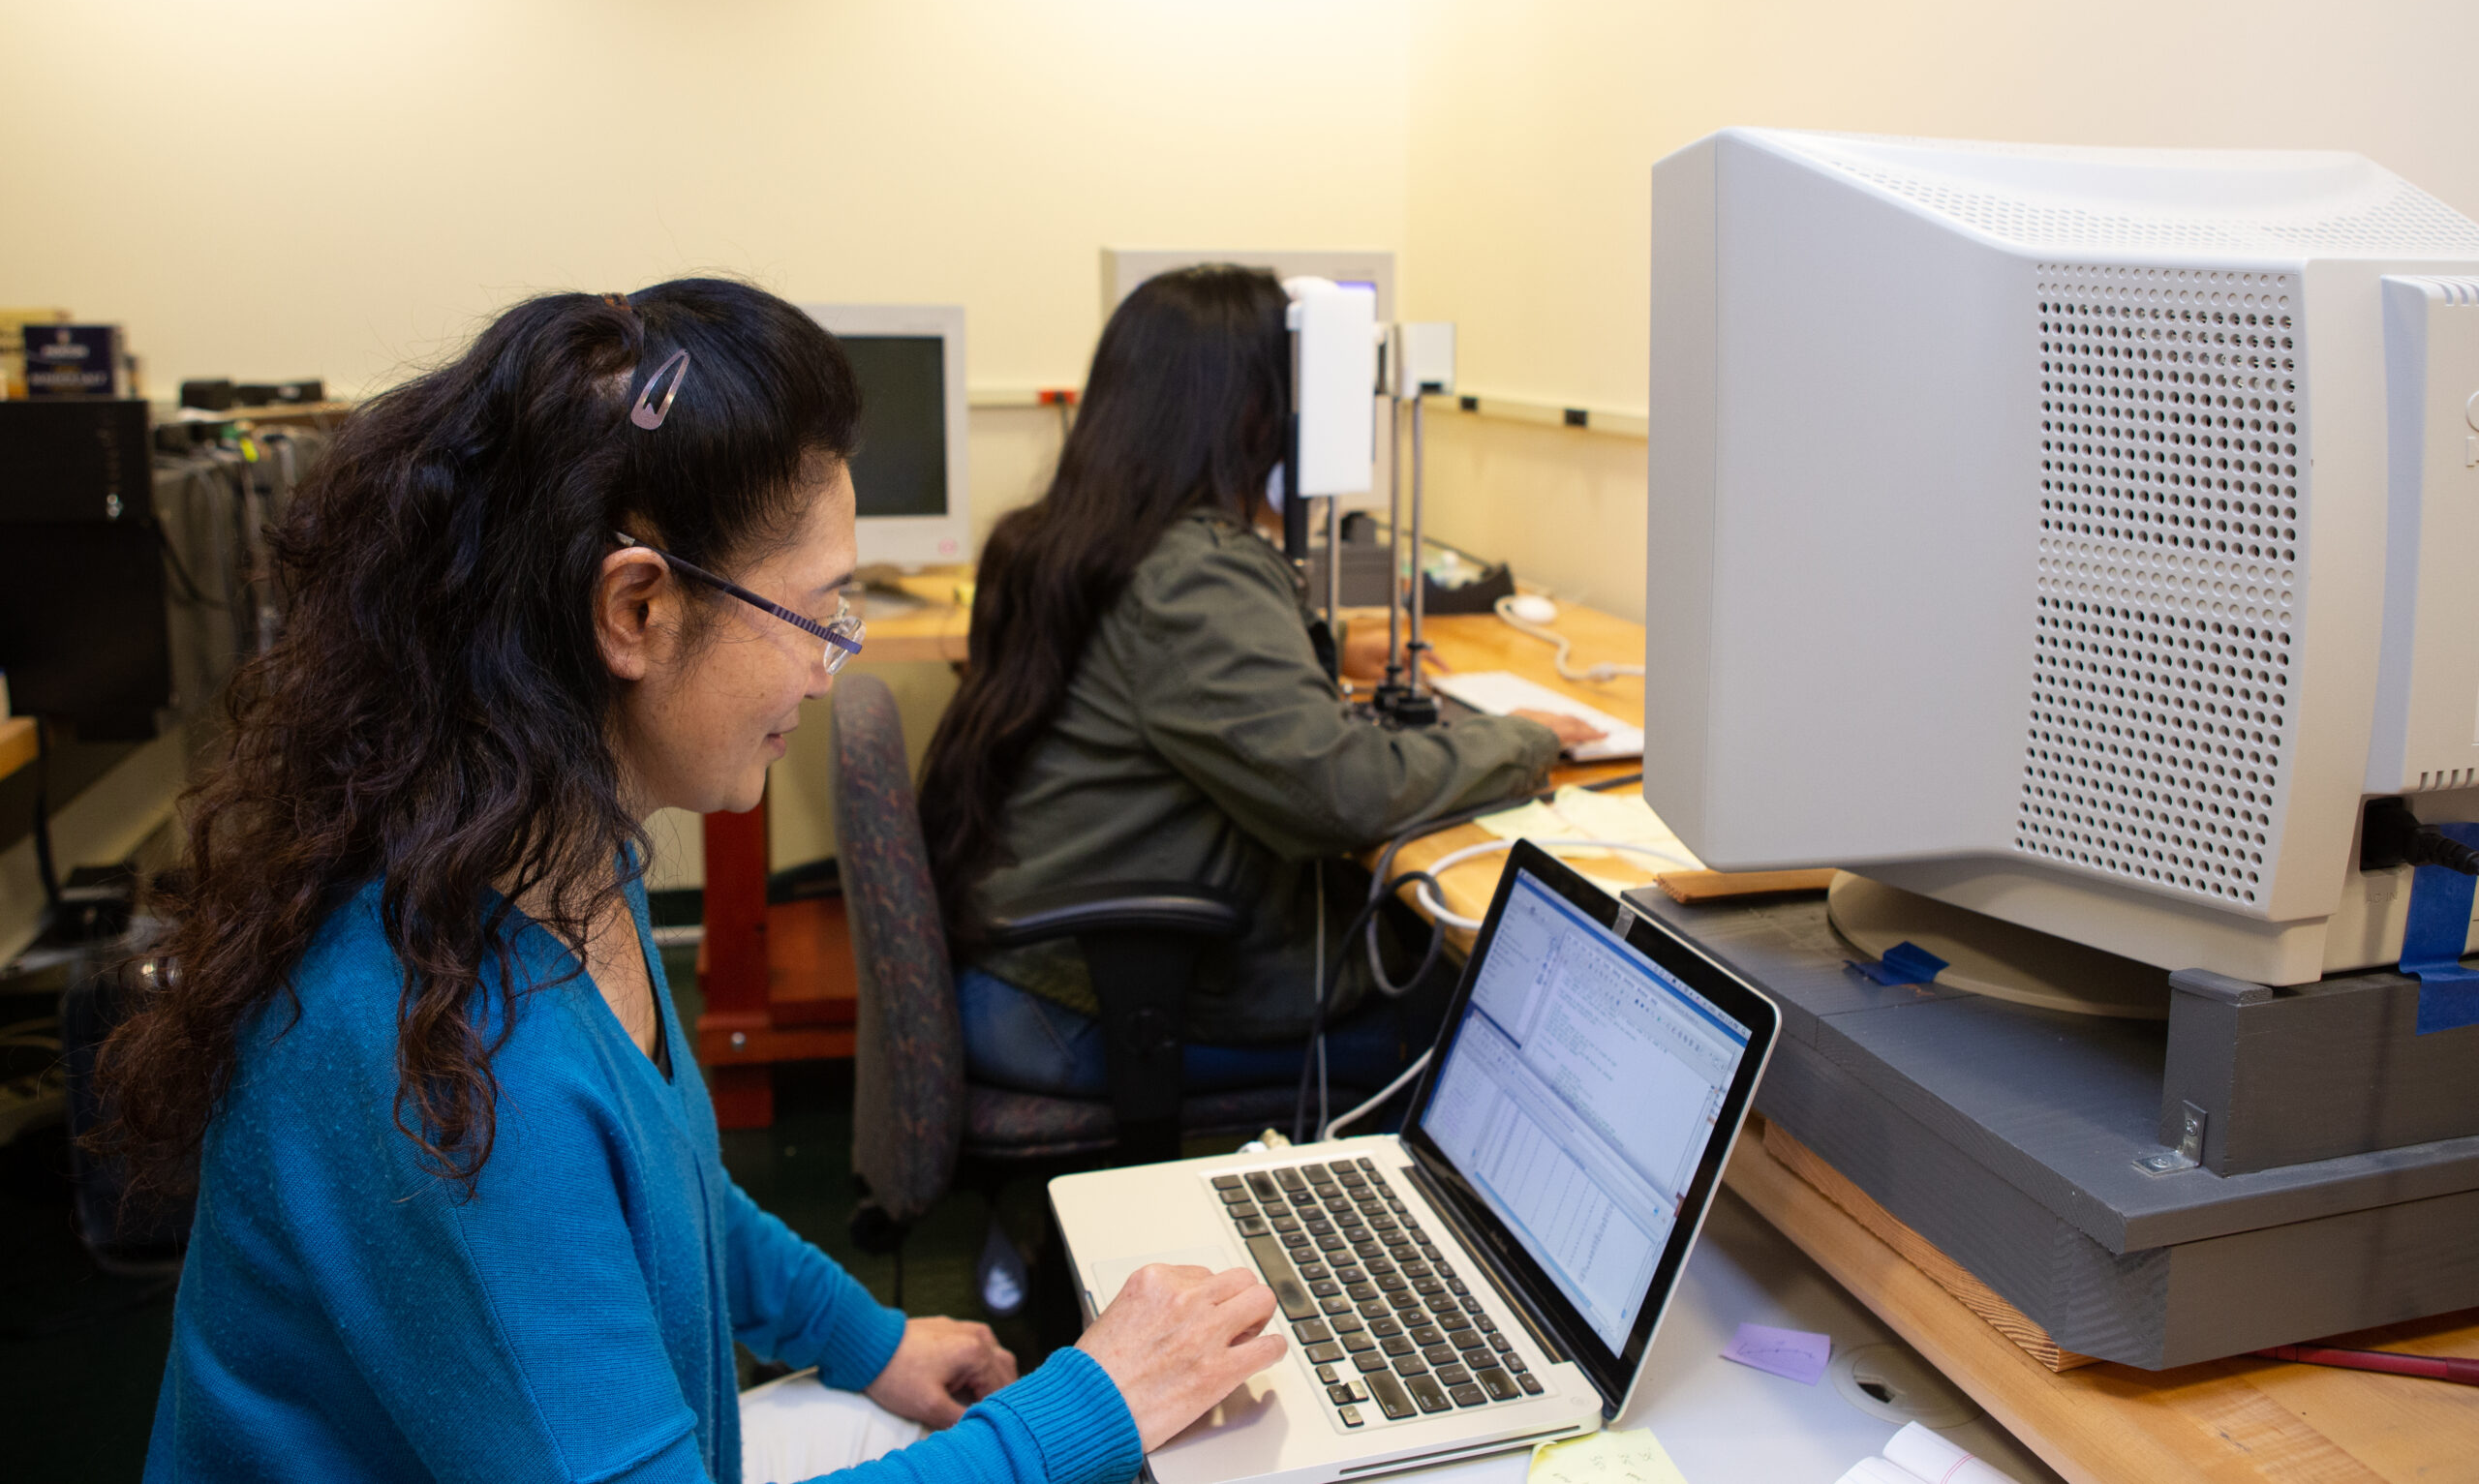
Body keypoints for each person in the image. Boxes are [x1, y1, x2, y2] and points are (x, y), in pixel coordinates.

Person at [97, 281, 1283, 1484]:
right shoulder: (452, 1052)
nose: (831, 668)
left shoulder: (549, 855)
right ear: (638, 609)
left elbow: (671, 1201)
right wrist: (1091, 1405)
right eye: (819, 611)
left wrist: (862, 1337)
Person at [917, 265, 1596, 1104]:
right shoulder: (1198, 572)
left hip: (1023, 972)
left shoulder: (1069, 536)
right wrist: (1526, 738)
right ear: (1253, 412)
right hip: (1097, 1007)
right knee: (1478, 1024)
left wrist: (1326, 642)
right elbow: (1340, 791)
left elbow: (1151, 659)